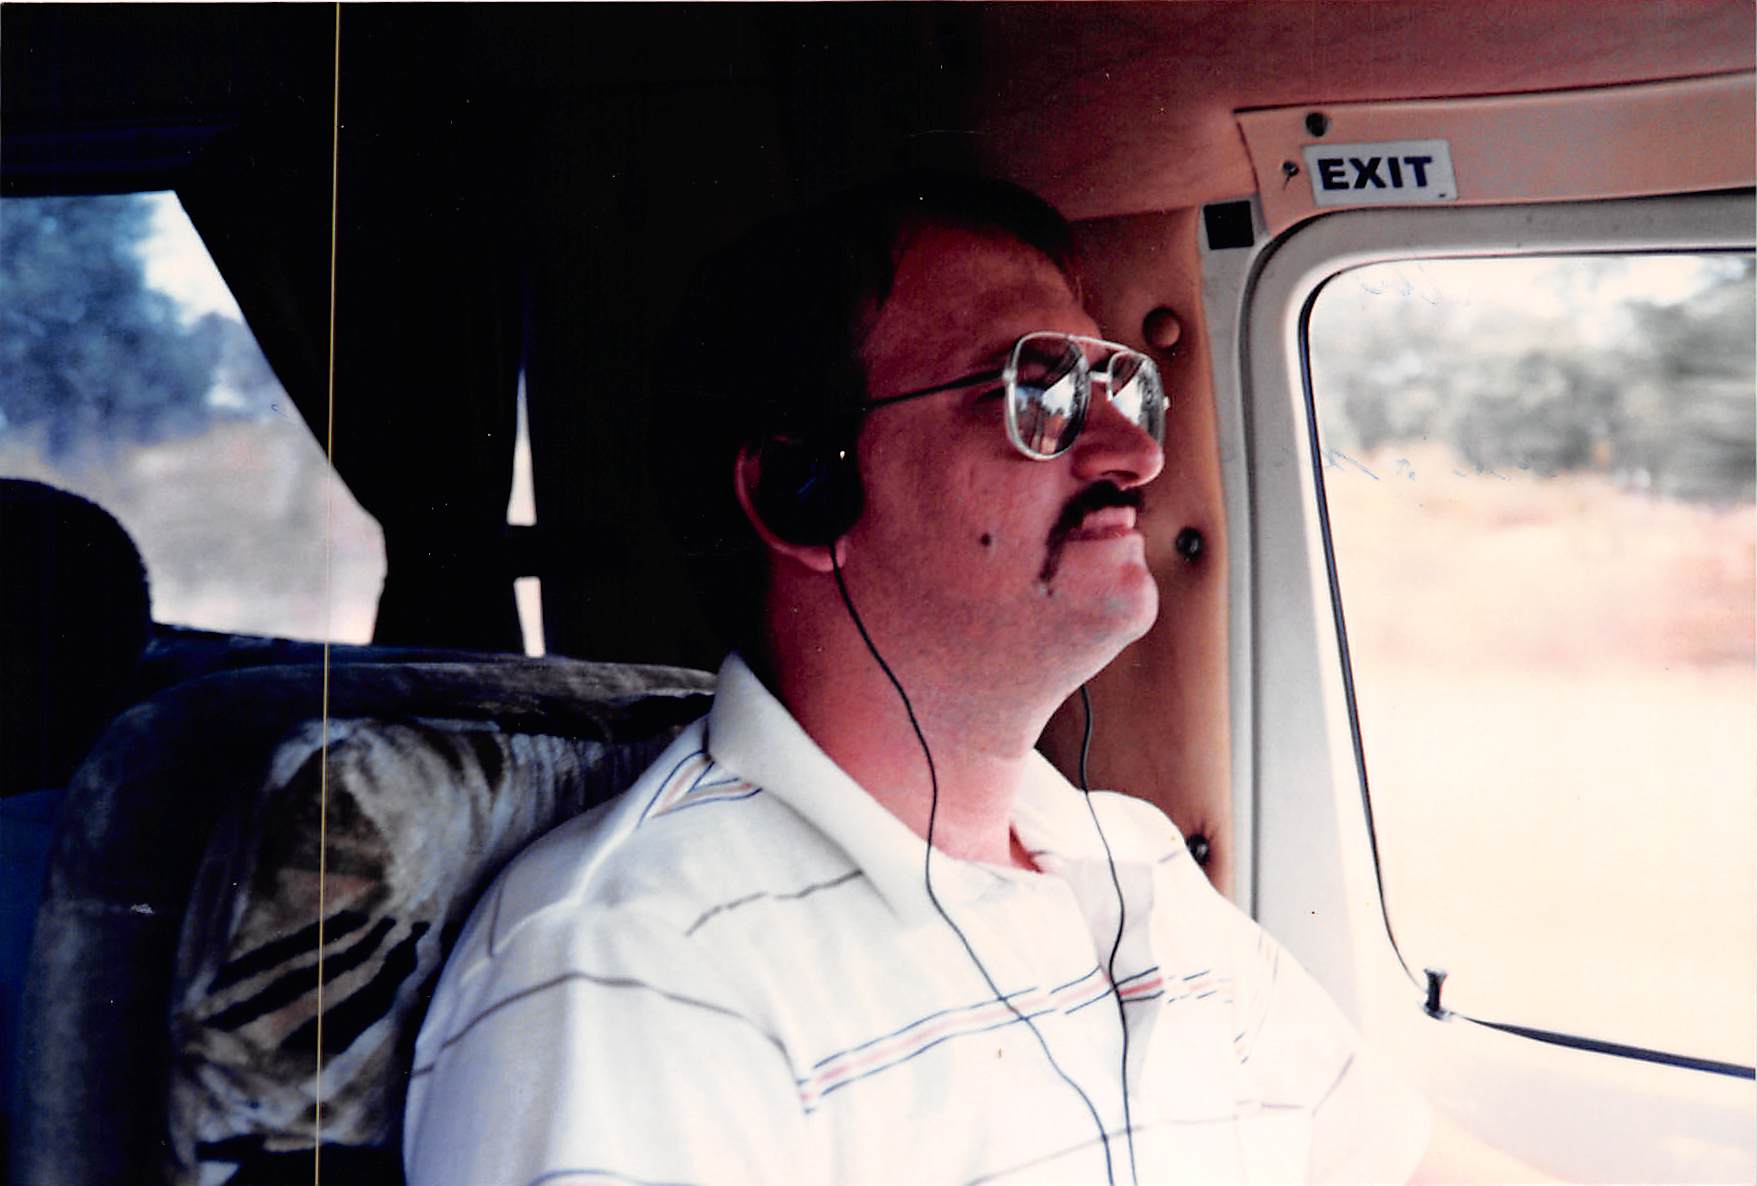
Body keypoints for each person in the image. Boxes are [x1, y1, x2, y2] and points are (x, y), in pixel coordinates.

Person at [404, 173, 1527, 1185]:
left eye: (1119, 387)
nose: (1136, 455)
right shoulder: (633, 973)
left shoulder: (1135, 863)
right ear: (804, 491)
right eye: (1034, 392)